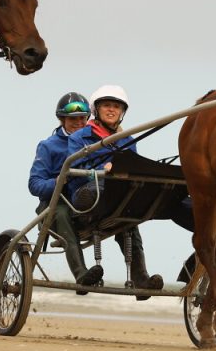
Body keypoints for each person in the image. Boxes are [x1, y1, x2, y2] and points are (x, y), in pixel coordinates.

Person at [66, 85, 163, 294]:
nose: (112, 110)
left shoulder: (128, 140)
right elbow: (74, 171)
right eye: (107, 106)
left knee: (131, 218)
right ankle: (82, 274)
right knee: (119, 197)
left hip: (116, 200)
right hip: (86, 200)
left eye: (117, 107)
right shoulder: (78, 138)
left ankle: (141, 280)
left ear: (122, 112)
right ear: (96, 110)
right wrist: (104, 169)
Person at [28, 92, 103, 292]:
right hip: (53, 208)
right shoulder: (48, 146)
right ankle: (81, 276)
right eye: (72, 119)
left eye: (82, 118)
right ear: (62, 119)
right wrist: (62, 180)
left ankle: (142, 277)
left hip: (86, 205)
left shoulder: (94, 143)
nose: (78, 122)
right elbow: (34, 185)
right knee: (60, 212)